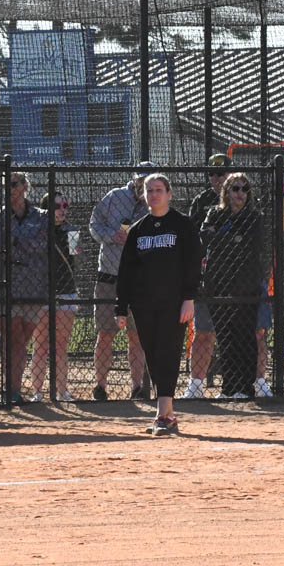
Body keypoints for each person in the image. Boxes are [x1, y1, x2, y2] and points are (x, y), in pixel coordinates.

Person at [115, 173, 201, 435]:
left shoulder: (182, 224)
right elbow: (126, 271)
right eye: (149, 190)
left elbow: (193, 263)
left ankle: (162, 414)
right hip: (143, 304)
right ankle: (167, 415)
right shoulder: (138, 229)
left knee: (168, 351)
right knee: (152, 354)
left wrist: (189, 298)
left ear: (169, 194)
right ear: (144, 195)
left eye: (159, 190)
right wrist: (121, 307)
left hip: (173, 303)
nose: (154, 194)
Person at [89, 162, 154, 400]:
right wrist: (110, 235)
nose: (143, 186)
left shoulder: (155, 203)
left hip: (140, 280)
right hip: (110, 276)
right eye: (140, 181)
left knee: (136, 336)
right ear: (134, 179)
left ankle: (137, 387)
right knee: (106, 333)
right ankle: (100, 386)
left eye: (148, 182)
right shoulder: (114, 197)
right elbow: (94, 224)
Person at [0, 171, 48, 404]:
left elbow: (43, 244)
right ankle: (10, 390)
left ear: (24, 186)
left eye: (13, 184)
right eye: (6, 185)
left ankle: (13, 389)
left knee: (22, 341)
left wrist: (13, 241)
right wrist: (25, 243)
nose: (9, 189)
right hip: (5, 287)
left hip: (33, 287)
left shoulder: (41, 216)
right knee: (12, 340)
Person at [200, 172, 265, 399]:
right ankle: (229, 387)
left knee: (244, 335)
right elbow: (205, 236)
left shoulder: (254, 217)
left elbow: (250, 245)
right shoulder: (215, 213)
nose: (240, 194)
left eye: (245, 189)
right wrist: (233, 238)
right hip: (218, 283)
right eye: (235, 189)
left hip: (245, 285)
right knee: (225, 336)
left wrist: (221, 237)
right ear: (226, 192)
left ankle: (245, 387)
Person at [183, 152, 232, 398]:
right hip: (207, 273)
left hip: (235, 274)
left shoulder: (242, 198)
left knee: (236, 333)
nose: (216, 178)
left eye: (221, 173)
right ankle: (196, 385)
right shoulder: (202, 201)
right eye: (212, 174)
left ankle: (237, 385)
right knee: (203, 331)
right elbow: (194, 236)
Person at [29, 191, 78, 402]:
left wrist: (75, 246)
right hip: (42, 292)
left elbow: (77, 259)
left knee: (61, 346)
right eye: (57, 206)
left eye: (64, 206)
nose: (62, 210)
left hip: (66, 290)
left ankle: (62, 391)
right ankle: (37, 392)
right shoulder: (37, 231)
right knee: (40, 345)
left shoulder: (71, 231)